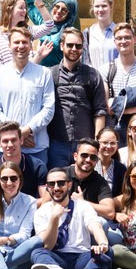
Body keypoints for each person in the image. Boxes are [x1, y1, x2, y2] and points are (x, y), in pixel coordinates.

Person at [0, 27, 56, 164]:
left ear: (31, 45)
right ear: (9, 46)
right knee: (8, 185)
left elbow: (48, 108)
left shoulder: (44, 73)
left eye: (25, 42)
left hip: (36, 147)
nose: (21, 46)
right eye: (16, 42)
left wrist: (28, 130)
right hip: (6, 148)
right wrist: (16, 135)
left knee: (39, 186)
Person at [30, 167, 113, 269]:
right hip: (57, 257)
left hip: (82, 256)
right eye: (51, 184)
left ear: (69, 185)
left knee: (107, 251)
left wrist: (102, 244)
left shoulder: (83, 206)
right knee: (37, 253)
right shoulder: (41, 212)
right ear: (47, 187)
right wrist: (54, 219)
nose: (56, 188)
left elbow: (95, 226)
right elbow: (48, 245)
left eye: (60, 183)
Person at [47, 28, 106, 170]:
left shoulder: (92, 74)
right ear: (62, 46)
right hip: (57, 143)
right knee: (58, 184)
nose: (74, 49)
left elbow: (100, 111)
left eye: (78, 46)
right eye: (70, 45)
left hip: (84, 143)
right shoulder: (50, 74)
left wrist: (96, 142)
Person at [0, 0, 54, 67]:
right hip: (7, 78)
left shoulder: (27, 31)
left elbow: (49, 25)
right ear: (10, 9)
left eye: (25, 8)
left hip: (29, 77)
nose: (25, 11)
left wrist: (38, 1)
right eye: (21, 7)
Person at [0, 121, 49, 199]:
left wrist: (25, 207)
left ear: (21, 140)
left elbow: (45, 200)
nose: (10, 145)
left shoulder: (38, 166)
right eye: (5, 141)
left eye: (13, 140)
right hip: (2, 210)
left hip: (32, 210)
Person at [31, 0, 79, 67]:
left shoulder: (70, 33)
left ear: (70, 14)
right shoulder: (43, 22)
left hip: (58, 74)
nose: (59, 11)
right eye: (57, 6)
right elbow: (29, 3)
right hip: (39, 72)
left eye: (64, 10)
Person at [83, 0, 118, 74]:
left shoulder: (119, 31)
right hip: (94, 82)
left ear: (111, 6)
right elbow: (85, 60)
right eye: (97, 6)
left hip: (115, 80)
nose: (100, 9)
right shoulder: (87, 33)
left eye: (104, 6)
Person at [94, 127, 127, 198]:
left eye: (112, 143)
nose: (109, 146)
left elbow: (124, 194)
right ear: (97, 142)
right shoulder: (90, 164)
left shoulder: (121, 169)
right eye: (105, 143)